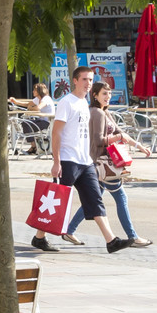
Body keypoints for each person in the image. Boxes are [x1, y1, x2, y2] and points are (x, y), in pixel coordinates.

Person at [40, 65, 132, 254]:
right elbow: (56, 132)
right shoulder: (67, 102)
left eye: (90, 80)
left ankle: (111, 241)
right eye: (84, 79)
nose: (88, 83)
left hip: (85, 161)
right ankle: (39, 237)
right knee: (59, 200)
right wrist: (56, 161)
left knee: (95, 199)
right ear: (75, 81)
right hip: (68, 160)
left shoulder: (84, 103)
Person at [64, 80, 153, 248]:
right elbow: (98, 140)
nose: (108, 96)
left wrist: (139, 146)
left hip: (99, 165)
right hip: (102, 164)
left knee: (92, 200)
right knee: (121, 198)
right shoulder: (97, 113)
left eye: (109, 93)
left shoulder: (105, 112)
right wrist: (118, 138)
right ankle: (132, 237)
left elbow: (121, 133)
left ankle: (69, 230)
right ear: (95, 95)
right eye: (104, 93)